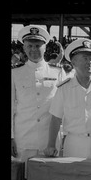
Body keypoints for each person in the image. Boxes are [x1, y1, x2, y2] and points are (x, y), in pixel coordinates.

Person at [43, 38, 91, 160]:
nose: (89, 62)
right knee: (73, 178)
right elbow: (55, 118)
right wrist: (51, 144)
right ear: (74, 62)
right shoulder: (64, 89)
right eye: (85, 58)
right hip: (74, 143)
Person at [11, 25, 66, 164]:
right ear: (24, 48)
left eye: (37, 45)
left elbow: (64, 107)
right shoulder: (15, 73)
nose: (33, 50)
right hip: (23, 138)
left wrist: (64, 136)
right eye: (29, 46)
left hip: (49, 141)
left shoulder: (58, 72)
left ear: (45, 47)